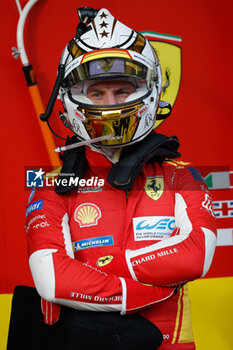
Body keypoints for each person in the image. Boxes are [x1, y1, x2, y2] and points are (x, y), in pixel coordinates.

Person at [25, 7, 217, 350]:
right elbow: (52, 280)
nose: (110, 104)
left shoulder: (181, 176)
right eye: (96, 93)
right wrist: (151, 287)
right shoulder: (52, 183)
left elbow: (196, 256)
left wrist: (105, 273)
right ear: (73, 100)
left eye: (122, 91)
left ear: (150, 91)